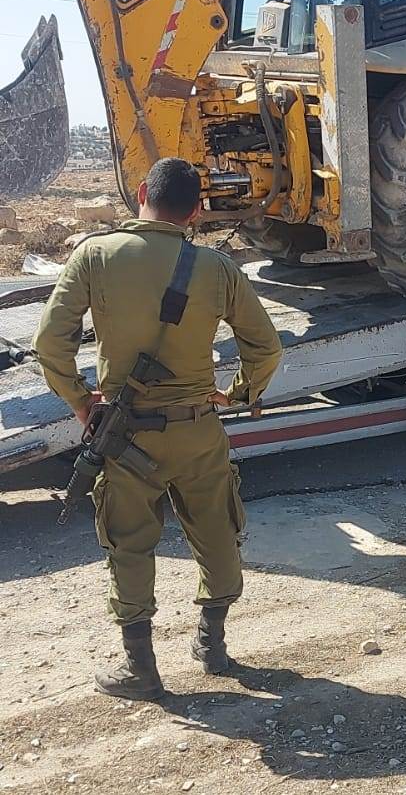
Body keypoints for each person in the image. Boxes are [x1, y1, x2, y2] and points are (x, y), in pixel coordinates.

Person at [33, 158, 283, 700]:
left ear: (142, 192)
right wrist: (235, 393)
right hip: (198, 430)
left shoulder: (94, 256)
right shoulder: (216, 268)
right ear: (195, 212)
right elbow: (266, 349)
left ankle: (140, 668)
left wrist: (80, 402)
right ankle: (212, 646)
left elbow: (50, 344)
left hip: (124, 437)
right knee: (217, 533)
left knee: (129, 543)